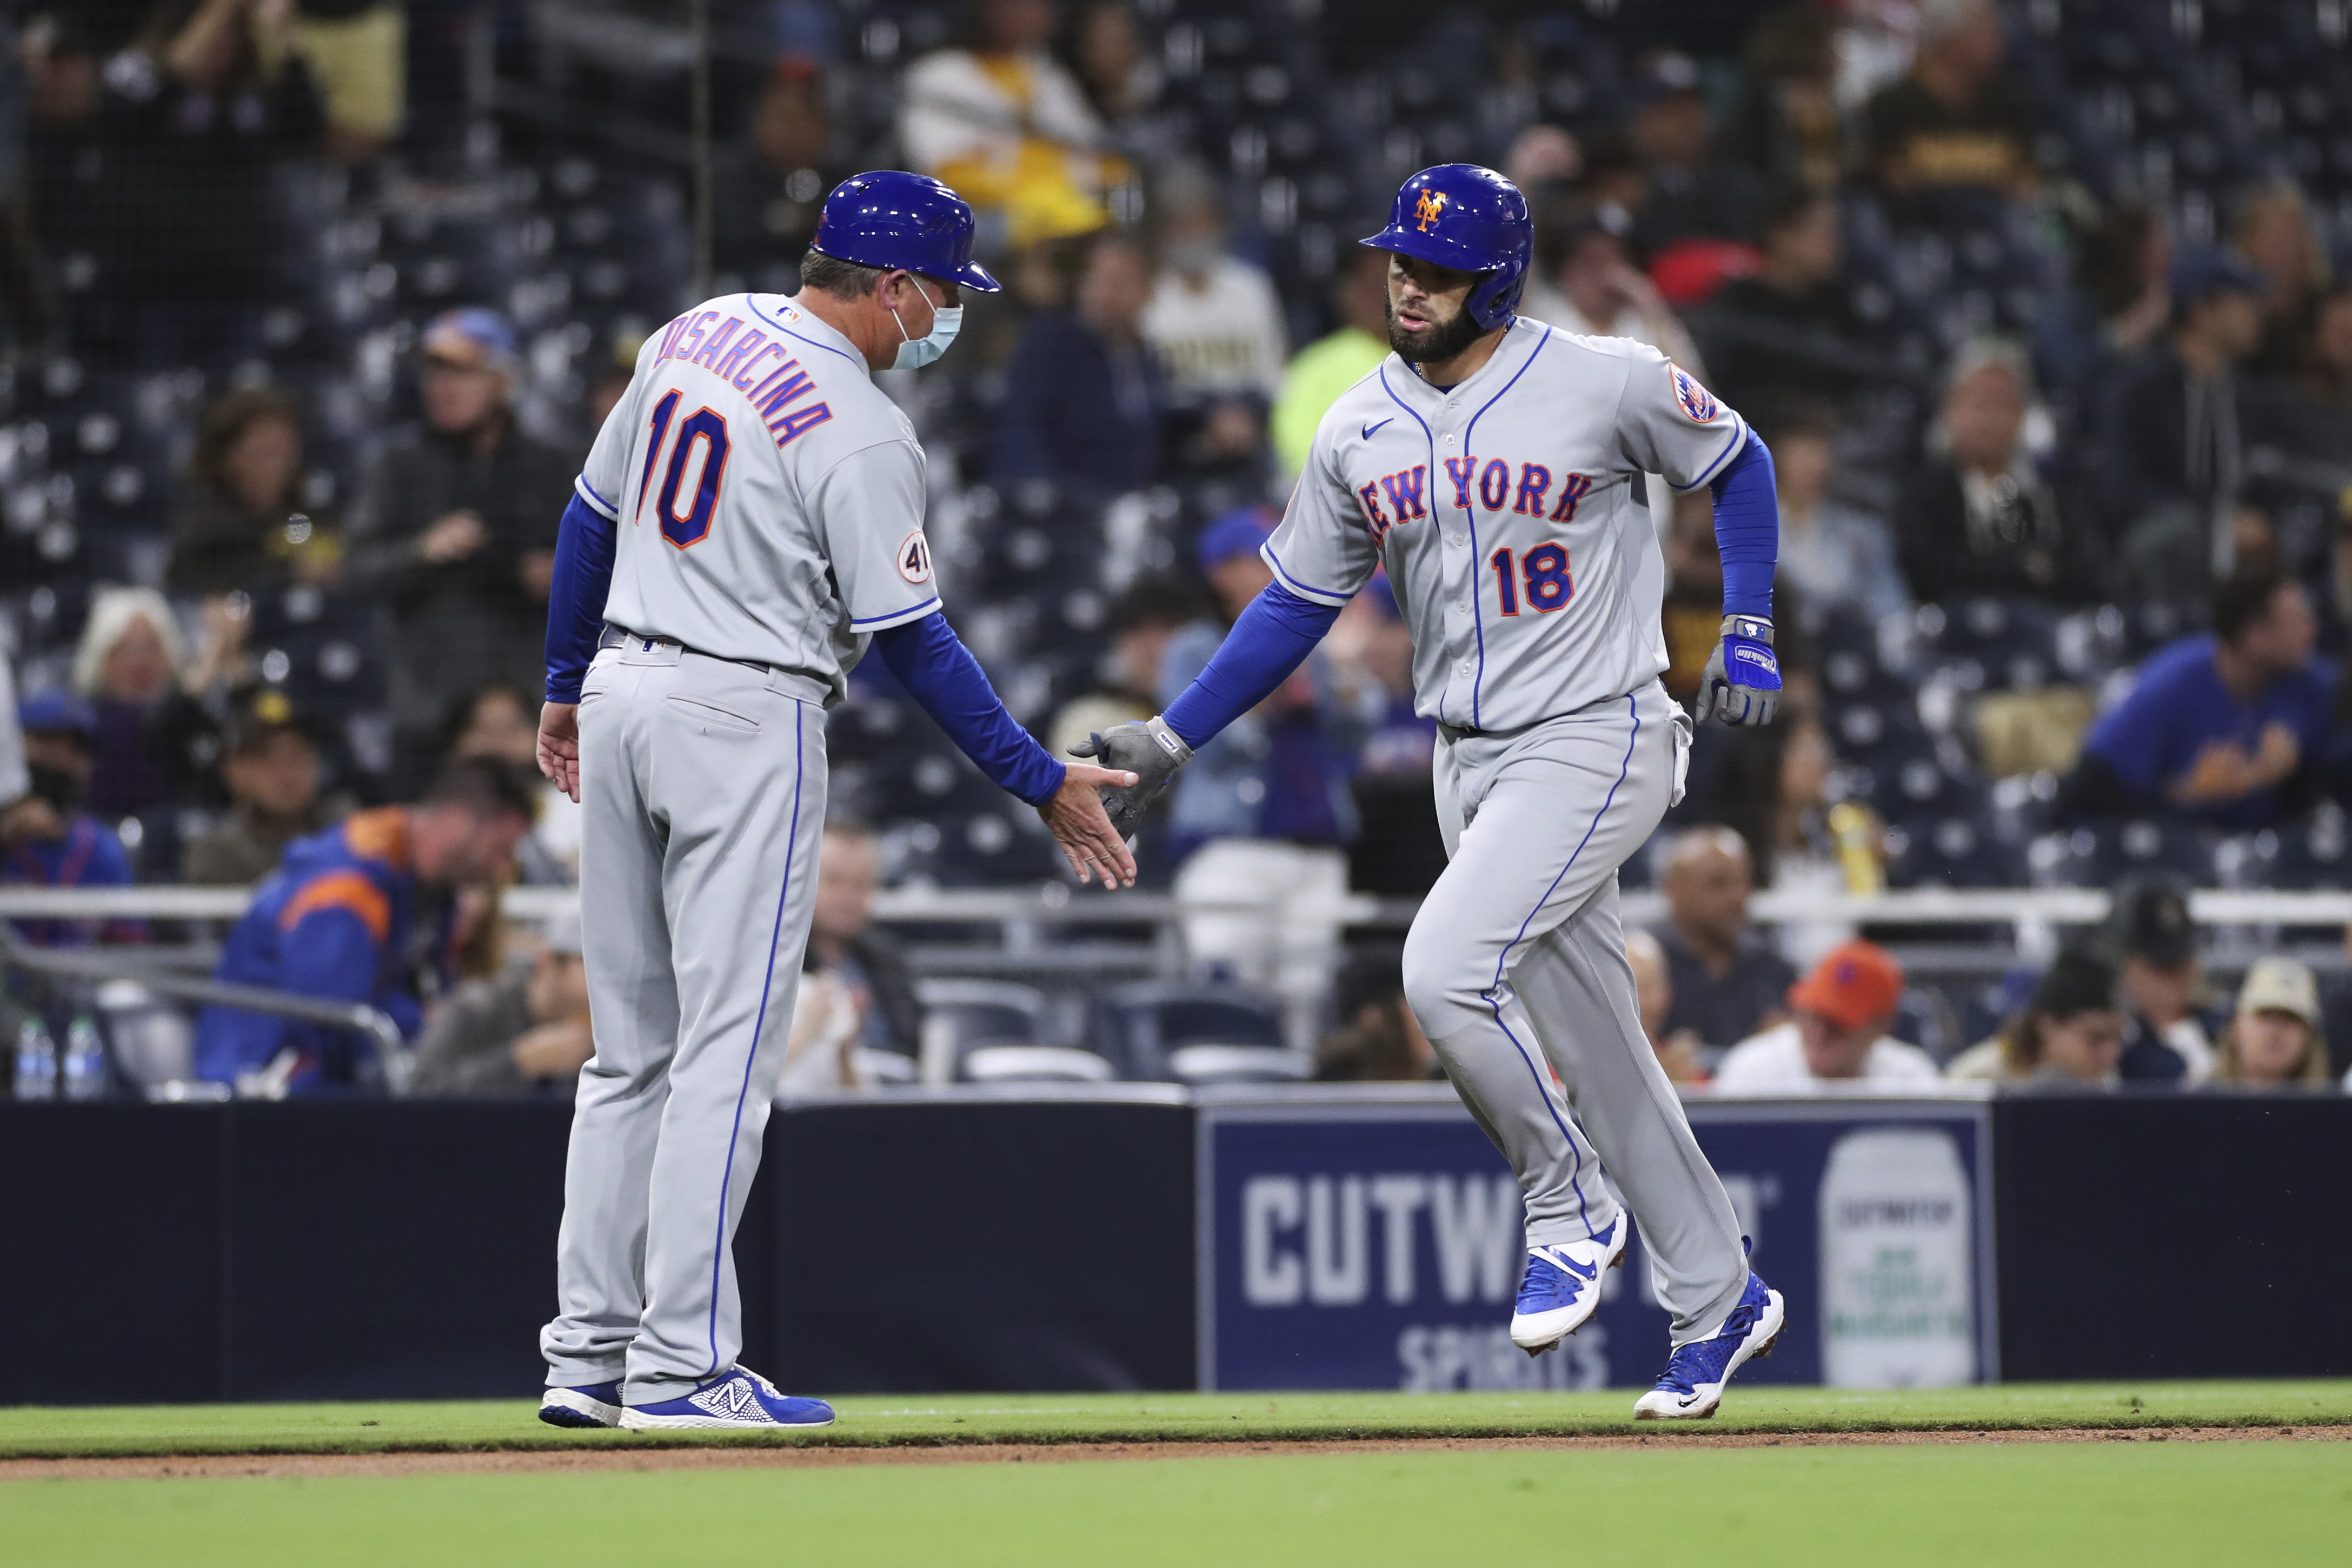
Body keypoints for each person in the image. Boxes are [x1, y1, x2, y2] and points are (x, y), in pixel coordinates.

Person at [1078, 164, 1790, 1420]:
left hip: (1600, 728)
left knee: (1441, 970)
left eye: (1435, 268)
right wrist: (1177, 738)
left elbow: (1738, 461)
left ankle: (1564, 1197)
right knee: (1601, 1050)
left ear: (1498, 277)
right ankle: (1717, 1296)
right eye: (1399, 263)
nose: (1407, 284)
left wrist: (1743, 616)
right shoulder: (1357, 421)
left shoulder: (1603, 376)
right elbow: (1298, 600)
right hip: (1468, 756)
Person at [531, 172, 1137, 1433]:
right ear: (896, 285)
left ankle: (585, 1357)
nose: (945, 320)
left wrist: (559, 681)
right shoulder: (862, 428)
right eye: (942, 297)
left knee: (626, 1052)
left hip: (623, 689)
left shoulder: (690, 330)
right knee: (725, 1058)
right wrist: (1037, 778)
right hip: (745, 714)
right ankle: (682, 1368)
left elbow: (587, 521)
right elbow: (913, 644)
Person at [1158, 507, 1378, 1046]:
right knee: (1231, 987)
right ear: (1222, 572)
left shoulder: (1311, 642)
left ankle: (1293, 1104)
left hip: (1314, 845)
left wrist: (1345, 667)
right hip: (1232, 845)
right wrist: (1272, 671)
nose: (1270, 569)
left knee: (1307, 994)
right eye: (1256, 559)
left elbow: (1357, 729)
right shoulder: (1195, 645)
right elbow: (1200, 741)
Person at [193, 756, 536, 1094]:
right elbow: (329, 1019)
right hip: (265, 1077)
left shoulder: (432, 888)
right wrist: (429, 1021)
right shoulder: (346, 888)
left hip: (346, 1075)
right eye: (500, 849)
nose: (501, 868)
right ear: (459, 821)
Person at [342, 308, 575, 789]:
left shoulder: (551, 468)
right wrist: (422, 550)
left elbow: (602, 574)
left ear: (504, 381)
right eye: (434, 372)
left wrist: (561, 578)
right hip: (429, 718)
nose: (441, 386)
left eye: (462, 372)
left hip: (530, 714)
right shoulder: (399, 467)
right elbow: (356, 574)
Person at [2061, 566, 2335, 832]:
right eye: (2297, 621)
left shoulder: (2305, 682)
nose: (2310, 631)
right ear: (2255, 636)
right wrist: (2184, 820)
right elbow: (2092, 786)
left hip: (2259, 852)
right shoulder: (2170, 683)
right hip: (2167, 852)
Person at [2102, 250, 2271, 603]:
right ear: (2201, 312)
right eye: (2242, 302)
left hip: (2243, 545)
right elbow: (2126, 491)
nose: (2256, 314)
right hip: (2170, 543)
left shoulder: (2252, 396)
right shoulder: (2140, 390)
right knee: (2174, 537)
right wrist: (2217, 527)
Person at [896, 0, 1122, 251]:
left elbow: (1097, 158)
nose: (1030, 13)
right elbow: (941, 173)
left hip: (1061, 217)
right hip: (979, 222)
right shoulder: (938, 74)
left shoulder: (1050, 75)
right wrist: (1038, 175)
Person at [1896, 341, 2098, 603]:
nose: (1988, 419)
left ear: (2023, 415)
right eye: (1978, 404)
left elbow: (2079, 572)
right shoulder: (1923, 491)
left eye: (2002, 403)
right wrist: (2021, 570)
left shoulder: (2049, 491)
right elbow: (1928, 573)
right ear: (1949, 412)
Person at [992, 230, 1166, 507]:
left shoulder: (1144, 356)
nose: (1104, 294)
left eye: (1119, 284)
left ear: (1147, 292)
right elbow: (1020, 429)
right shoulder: (1052, 342)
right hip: (1069, 510)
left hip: (1135, 506)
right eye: (1097, 280)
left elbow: (1157, 429)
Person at [1697, 186, 1884, 413]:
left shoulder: (1841, 304)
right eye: (1821, 233)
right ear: (1781, 235)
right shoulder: (1740, 302)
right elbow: (1717, 385)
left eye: (1836, 233)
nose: (1834, 245)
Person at [408, 902, 596, 1098]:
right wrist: (520, 1063)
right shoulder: (477, 1010)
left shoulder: (605, 1032)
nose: (603, 986)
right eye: (591, 967)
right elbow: (421, 1089)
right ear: (549, 961)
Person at [166, 385, 338, 597]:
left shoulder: (308, 510)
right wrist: (291, 573)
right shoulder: (204, 523)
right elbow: (197, 587)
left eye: (287, 451)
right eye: (265, 452)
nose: (279, 465)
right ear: (227, 457)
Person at [69, 586, 218, 825]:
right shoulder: (79, 729)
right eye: (125, 648)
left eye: (152, 647)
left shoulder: (194, 722)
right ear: (100, 658)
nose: (141, 663)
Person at [1140, 163, 1287, 405]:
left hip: (1250, 419)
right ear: (1163, 230)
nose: (1192, 235)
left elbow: (1274, 375)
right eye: (1181, 224)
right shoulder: (1148, 291)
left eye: (1200, 222)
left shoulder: (1251, 287)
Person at [1, 693, 140, 948]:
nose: (60, 757)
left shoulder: (102, 847)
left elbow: (130, 944)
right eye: (45, 741)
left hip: (77, 980)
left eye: (76, 747)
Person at [1861, 0, 2037, 200]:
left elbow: (2027, 181)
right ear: (1948, 37)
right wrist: (1988, 166)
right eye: (1982, 29)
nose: (1998, 38)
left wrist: (1934, 165)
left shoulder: (2007, 101)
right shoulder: (1890, 106)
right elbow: (1891, 177)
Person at [1758, 397, 1909, 626]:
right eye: (1803, 451)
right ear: (1777, 454)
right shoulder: (1750, 531)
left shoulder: (1864, 534)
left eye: (1822, 451)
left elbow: (1894, 612)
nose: (1815, 464)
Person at [1714, 940, 1938, 1094]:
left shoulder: (1910, 1079)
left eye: (1837, 1023)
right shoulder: (1754, 1071)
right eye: (1811, 1016)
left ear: (1881, 1025)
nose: (1818, 1033)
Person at [710, 57, 848, 298]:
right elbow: (726, 239)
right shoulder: (736, 180)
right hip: (745, 290)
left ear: (823, 126)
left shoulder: (844, 184)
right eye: (776, 118)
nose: (786, 130)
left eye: (797, 118)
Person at [181, 689, 348, 884]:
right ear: (234, 771)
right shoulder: (217, 852)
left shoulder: (348, 831)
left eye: (298, 754)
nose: (287, 771)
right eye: (267, 758)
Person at [1652, 826, 1797, 1051]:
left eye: (1743, 881)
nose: (1737, 897)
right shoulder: (1646, 968)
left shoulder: (1770, 966)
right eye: (1718, 883)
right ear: (1673, 889)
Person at [803, 819, 922, 1064]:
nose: (847, 897)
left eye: (861, 884)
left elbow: (912, 1051)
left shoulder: (888, 960)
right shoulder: (774, 964)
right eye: (834, 881)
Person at [1045, 574, 1198, 765]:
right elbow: (1094, 792)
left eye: (1168, 626)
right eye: (1135, 628)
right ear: (1118, 644)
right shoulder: (1091, 719)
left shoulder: (1220, 715)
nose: (1152, 644)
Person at [1270, 245, 1392, 480]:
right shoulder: (1314, 367)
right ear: (1347, 292)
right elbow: (1297, 449)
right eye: (1374, 285)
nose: (1384, 295)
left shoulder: (1440, 361)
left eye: (1393, 284)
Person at [1945, 946, 2129, 1087]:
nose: (2111, 1054)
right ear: (2048, 1025)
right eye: (2096, 1038)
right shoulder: (1978, 1079)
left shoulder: (2105, 1078)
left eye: (2118, 1039)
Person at [2108, 879, 2216, 1085]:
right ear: (2129, 964)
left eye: (2182, 962)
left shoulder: (2225, 1031)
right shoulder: (2111, 1039)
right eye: (2162, 967)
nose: (2177, 976)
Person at [1313, 946, 1439, 1082]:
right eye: (1413, 1001)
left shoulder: (1448, 1088)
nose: (1428, 1015)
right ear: (1373, 1018)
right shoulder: (1323, 1094)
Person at [2209, 958, 2331, 1089]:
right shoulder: (2197, 1104)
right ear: (2236, 1025)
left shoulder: (2337, 1108)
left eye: (2290, 1017)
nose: (2274, 1030)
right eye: (2264, 1014)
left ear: (2309, 1035)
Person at [1625, 927, 1706, 1086]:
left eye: (1648, 988)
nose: (1642, 1002)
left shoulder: (1689, 1070)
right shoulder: (1572, 1070)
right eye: (1631, 989)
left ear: (1667, 993)